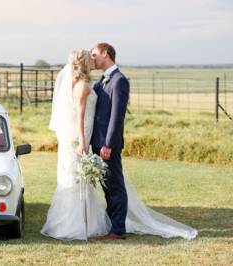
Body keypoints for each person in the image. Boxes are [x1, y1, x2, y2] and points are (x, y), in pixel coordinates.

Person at [41, 44, 197, 241]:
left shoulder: (119, 81)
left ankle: (117, 230)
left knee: (115, 185)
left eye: (95, 55)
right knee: (105, 186)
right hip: (92, 142)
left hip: (106, 144)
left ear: (105, 54)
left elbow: (116, 117)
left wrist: (108, 144)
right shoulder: (98, 82)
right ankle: (106, 224)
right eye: (90, 57)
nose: (94, 59)